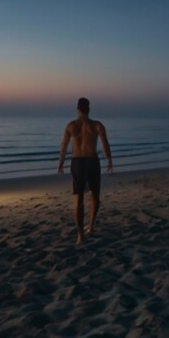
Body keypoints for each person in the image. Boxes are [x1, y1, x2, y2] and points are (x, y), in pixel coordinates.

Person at [57, 97, 113, 244]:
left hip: (77, 163)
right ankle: (91, 226)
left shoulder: (71, 126)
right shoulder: (96, 125)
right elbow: (105, 144)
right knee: (95, 196)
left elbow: (63, 146)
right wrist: (109, 160)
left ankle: (80, 235)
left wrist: (60, 163)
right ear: (89, 109)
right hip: (92, 161)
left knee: (78, 199)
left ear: (77, 109)